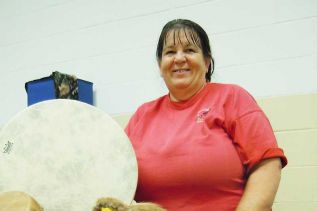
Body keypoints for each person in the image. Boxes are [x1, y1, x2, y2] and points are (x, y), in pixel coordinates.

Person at [125, 19, 287, 211]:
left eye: (189, 50)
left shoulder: (232, 98)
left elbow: (267, 164)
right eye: (170, 52)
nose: (179, 58)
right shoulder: (142, 116)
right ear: (160, 65)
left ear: (207, 61)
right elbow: (117, 175)